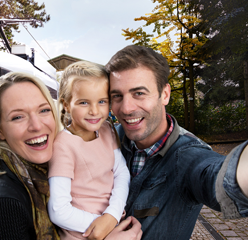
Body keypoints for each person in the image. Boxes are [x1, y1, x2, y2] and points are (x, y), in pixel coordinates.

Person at [0, 71, 143, 240]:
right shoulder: (1, 208)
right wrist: (106, 230)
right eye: (18, 117)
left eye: (43, 110)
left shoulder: (38, 176)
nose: (36, 126)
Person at [105, 45, 248, 240]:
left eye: (139, 93)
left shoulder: (188, 156)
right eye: (117, 96)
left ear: (164, 94)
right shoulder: (104, 139)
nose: (126, 108)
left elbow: (220, 179)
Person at [48, 61, 131, 239]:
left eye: (101, 101)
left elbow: (121, 173)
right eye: (84, 102)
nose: (94, 111)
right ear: (67, 104)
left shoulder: (107, 129)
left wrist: (112, 216)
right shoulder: (63, 145)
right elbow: (59, 211)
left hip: (110, 224)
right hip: (82, 233)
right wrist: (101, 224)